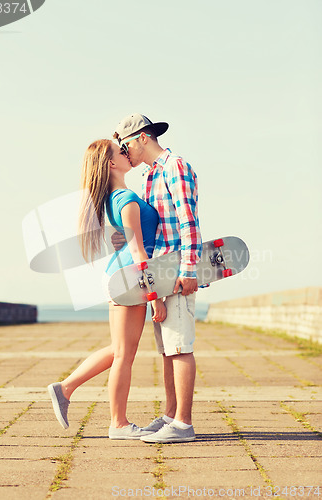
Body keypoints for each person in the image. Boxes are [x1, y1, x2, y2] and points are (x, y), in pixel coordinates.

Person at [47, 139, 166, 440]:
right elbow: (140, 253)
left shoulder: (114, 197)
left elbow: (126, 243)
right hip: (129, 279)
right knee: (125, 354)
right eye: (120, 152)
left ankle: (65, 388)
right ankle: (119, 423)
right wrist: (154, 298)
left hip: (119, 276)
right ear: (112, 163)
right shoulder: (124, 198)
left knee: (118, 350)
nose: (126, 154)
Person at [112, 113, 202, 443]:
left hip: (180, 271)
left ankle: (184, 424)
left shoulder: (175, 167)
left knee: (179, 347)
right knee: (167, 349)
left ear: (142, 138)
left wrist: (189, 271)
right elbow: (157, 231)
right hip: (163, 274)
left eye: (126, 146)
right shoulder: (150, 177)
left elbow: (188, 223)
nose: (125, 153)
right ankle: (170, 415)